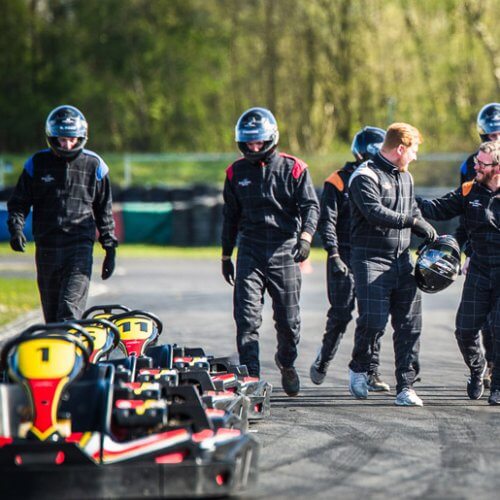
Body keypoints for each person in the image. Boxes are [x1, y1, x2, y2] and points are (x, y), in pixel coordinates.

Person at [221, 107, 320, 396]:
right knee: (247, 319)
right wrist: (226, 256)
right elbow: (230, 216)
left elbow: (311, 206)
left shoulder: (294, 168)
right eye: (248, 142)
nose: (253, 147)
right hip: (250, 250)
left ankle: (286, 363)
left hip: (285, 250)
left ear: (271, 139)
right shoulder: (235, 172)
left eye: (259, 142)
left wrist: (305, 238)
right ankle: (251, 379)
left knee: (289, 322)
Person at [347, 122, 437, 407]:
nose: (415, 157)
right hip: (369, 260)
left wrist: (424, 229)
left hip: (402, 262)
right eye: (414, 151)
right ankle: (359, 367)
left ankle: (406, 387)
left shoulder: (406, 178)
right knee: (373, 321)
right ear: (400, 149)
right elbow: (374, 212)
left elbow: (412, 210)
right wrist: (411, 222)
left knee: (410, 326)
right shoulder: (364, 176)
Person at [7, 105, 117, 323]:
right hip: (47, 247)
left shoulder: (95, 166)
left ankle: (71, 354)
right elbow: (19, 203)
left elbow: (104, 211)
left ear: (81, 137)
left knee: (69, 312)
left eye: (72, 139)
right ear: (52, 137)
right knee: (53, 319)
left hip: (78, 246)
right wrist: (16, 229)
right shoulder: (37, 164)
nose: (67, 144)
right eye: (62, 139)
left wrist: (109, 247)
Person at [417, 141, 499, 404]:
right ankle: (477, 369)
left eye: (481, 163)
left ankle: (498, 386)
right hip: (479, 269)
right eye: (477, 161)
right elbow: (436, 209)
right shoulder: (468, 191)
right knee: (464, 330)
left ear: (497, 168)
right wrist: (406, 196)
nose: (475, 166)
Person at [310, 126, 390, 392]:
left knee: (372, 315)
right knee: (342, 313)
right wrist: (332, 253)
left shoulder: (385, 177)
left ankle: (371, 370)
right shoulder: (338, 180)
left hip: (371, 254)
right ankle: (324, 359)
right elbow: (327, 221)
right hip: (343, 254)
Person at [455, 103, 500, 388]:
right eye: (491, 135)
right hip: (481, 251)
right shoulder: (471, 165)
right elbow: (466, 213)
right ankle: (486, 366)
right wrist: (468, 251)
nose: (495, 140)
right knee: (477, 322)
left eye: (499, 134)